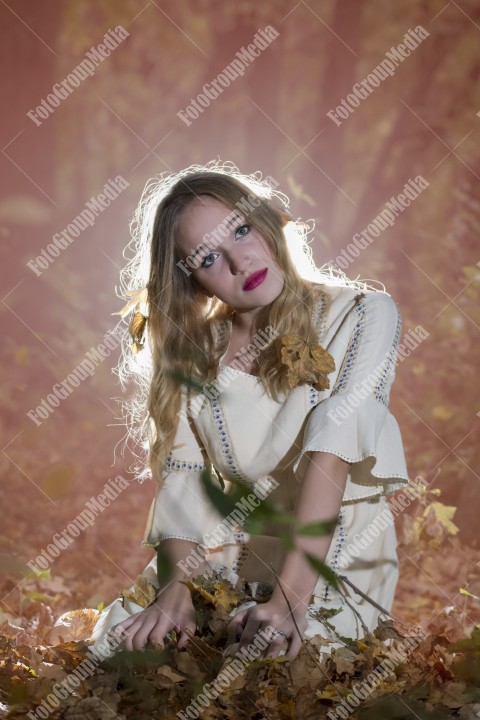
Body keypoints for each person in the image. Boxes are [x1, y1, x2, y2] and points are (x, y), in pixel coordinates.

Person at [86, 160, 411, 663]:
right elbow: (185, 476)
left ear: (262, 222)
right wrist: (174, 590)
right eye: (209, 257)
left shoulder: (364, 313)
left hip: (333, 554)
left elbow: (335, 442)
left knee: (269, 665)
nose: (239, 263)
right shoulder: (193, 354)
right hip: (232, 549)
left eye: (241, 230)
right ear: (191, 279)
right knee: (123, 648)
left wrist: (290, 600)